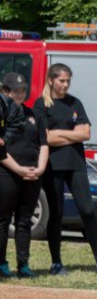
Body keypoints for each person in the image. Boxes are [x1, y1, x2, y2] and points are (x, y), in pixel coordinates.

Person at [34, 63, 97, 276]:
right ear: (51, 80)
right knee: (56, 213)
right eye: (62, 80)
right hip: (53, 165)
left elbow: (85, 134)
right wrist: (72, 135)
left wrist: (59, 134)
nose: (65, 84)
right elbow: (45, 137)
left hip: (76, 163)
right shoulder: (41, 104)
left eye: (68, 81)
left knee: (88, 210)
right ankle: (56, 263)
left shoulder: (75, 102)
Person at [0, 72, 44, 279]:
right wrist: (18, 169)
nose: (20, 94)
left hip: (32, 175)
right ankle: (1, 264)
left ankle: (23, 264)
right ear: (5, 91)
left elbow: (44, 143)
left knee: (24, 221)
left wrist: (39, 168)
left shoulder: (32, 114)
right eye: (15, 90)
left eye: (23, 90)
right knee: (3, 220)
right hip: (7, 172)